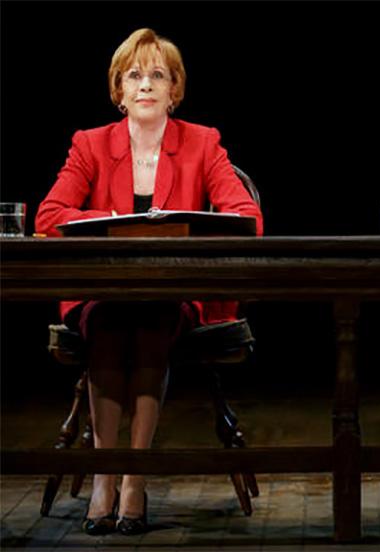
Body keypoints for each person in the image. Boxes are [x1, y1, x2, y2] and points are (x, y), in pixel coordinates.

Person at [35, 28, 263, 536]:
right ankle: (103, 477)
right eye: (134, 75)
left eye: (158, 75)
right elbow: (50, 214)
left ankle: (133, 480)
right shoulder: (90, 144)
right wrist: (113, 220)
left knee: (153, 319)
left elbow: (246, 216)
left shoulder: (203, 143)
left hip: (173, 297)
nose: (146, 85)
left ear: (174, 89)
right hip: (103, 295)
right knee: (113, 322)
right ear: (118, 89)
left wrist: (182, 225)